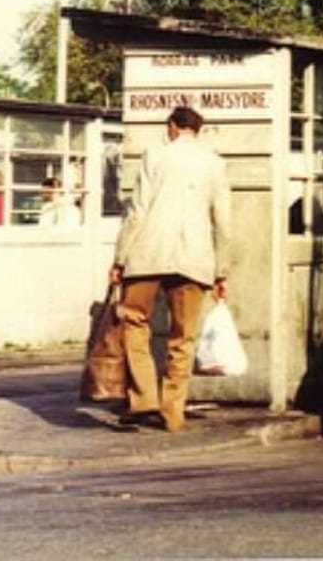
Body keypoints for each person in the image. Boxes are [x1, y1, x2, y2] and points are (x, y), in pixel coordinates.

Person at [110, 106, 230, 432]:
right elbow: (223, 221)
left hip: (148, 252)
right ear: (198, 130)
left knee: (134, 322)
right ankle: (173, 413)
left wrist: (120, 259)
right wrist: (222, 270)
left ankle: (145, 396)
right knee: (183, 338)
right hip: (195, 259)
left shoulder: (155, 156)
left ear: (172, 127)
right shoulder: (215, 164)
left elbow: (138, 210)